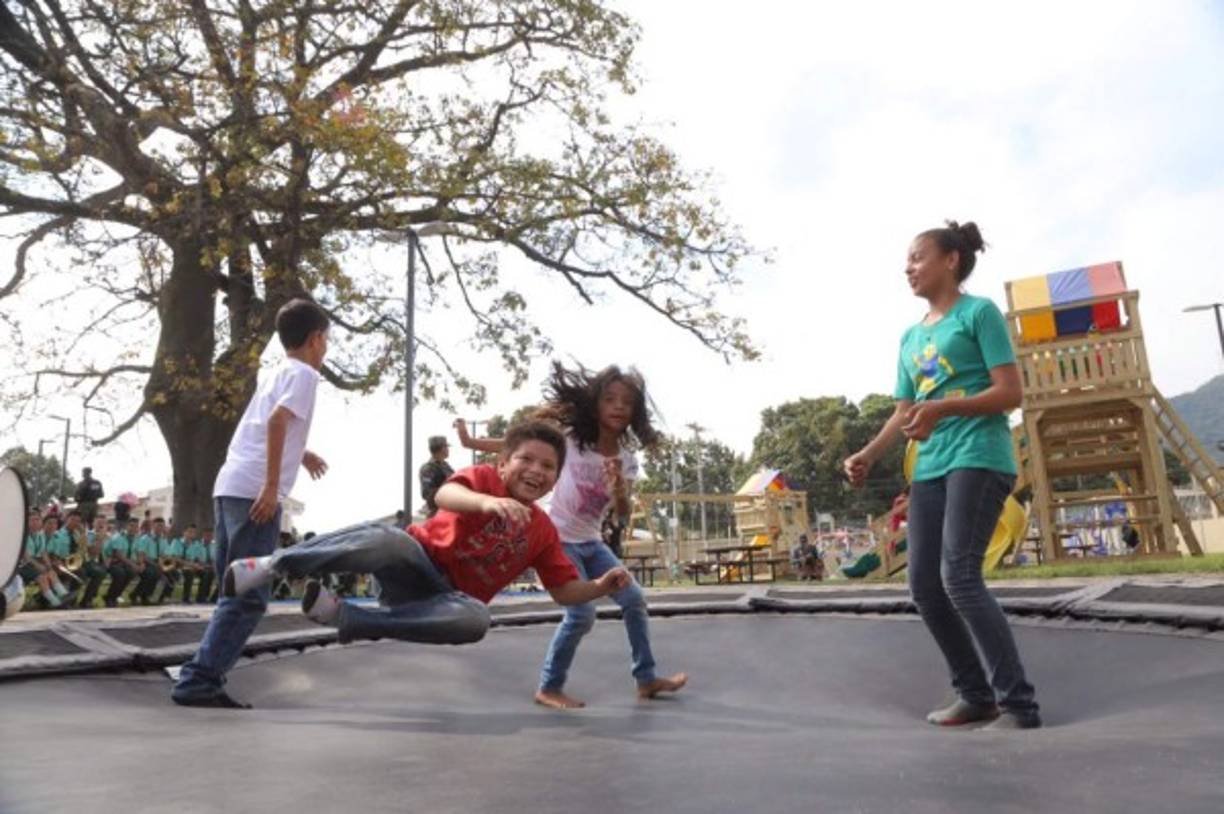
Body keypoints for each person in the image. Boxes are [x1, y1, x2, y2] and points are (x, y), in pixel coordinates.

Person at [844, 220, 1041, 730]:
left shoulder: (979, 314)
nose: (908, 267)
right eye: (906, 260)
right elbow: (905, 411)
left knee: (959, 576)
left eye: (917, 257)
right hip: (930, 466)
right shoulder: (910, 337)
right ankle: (975, 694)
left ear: (950, 260)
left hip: (979, 455)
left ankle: (1018, 702)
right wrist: (868, 454)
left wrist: (947, 408)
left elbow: (1010, 393)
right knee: (924, 586)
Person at [223, 420, 630, 656]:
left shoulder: (542, 530)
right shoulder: (485, 480)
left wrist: (597, 586)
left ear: (555, 479)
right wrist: (486, 504)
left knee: (477, 619)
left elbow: (563, 591)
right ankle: (274, 565)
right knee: (391, 540)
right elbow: (444, 494)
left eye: (547, 467)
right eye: (526, 460)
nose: (536, 471)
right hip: (414, 561)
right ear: (503, 464)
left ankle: (349, 618)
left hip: (442, 599)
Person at [457, 362, 687, 709]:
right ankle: (549, 687)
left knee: (634, 600)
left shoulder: (627, 459)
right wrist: (470, 441)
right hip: (559, 542)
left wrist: (620, 489)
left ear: (634, 412)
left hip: (593, 543)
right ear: (596, 404)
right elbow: (522, 445)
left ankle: (646, 678)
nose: (618, 407)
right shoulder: (570, 441)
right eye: (610, 399)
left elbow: (622, 514)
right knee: (581, 615)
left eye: (626, 402)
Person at [172, 298, 330, 709]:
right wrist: (272, 486)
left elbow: (266, 423)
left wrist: (303, 453)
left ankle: (201, 673)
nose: (326, 349)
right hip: (253, 493)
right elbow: (278, 421)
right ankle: (199, 679)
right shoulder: (305, 375)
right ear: (316, 339)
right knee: (248, 596)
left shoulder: (277, 371)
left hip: (229, 486)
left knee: (233, 590)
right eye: (326, 340)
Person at [18, 512, 66, 607]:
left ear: (41, 522)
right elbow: (25, 556)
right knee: (42, 577)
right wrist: (39, 565)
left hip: (33, 563)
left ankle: (64, 595)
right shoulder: (22, 535)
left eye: (38, 520)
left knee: (52, 573)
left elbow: (43, 552)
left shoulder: (40, 535)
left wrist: (48, 565)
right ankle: (55, 602)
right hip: (22, 565)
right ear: (27, 522)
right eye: (32, 520)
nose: (35, 522)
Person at [102, 517, 140, 608]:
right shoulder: (118, 537)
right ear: (126, 526)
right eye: (131, 526)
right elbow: (118, 554)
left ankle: (114, 596)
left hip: (124, 563)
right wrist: (133, 564)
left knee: (131, 573)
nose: (133, 528)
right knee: (120, 574)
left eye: (135, 526)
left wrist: (139, 564)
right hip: (111, 561)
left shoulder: (135, 538)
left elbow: (137, 553)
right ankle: (110, 598)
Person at [78, 516, 110, 609]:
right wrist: (99, 539)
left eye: (103, 523)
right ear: (93, 524)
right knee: (99, 572)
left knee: (118, 571)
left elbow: (111, 552)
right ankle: (87, 599)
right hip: (91, 561)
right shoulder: (88, 535)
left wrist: (109, 559)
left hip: (105, 561)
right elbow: (93, 552)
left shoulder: (109, 536)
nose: (101, 525)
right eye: (99, 522)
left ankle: (108, 598)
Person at [418, 435, 454, 518]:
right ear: (441, 448)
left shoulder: (446, 466)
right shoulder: (428, 468)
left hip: (451, 511)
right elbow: (427, 493)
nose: (448, 450)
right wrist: (447, 486)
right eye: (446, 447)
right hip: (438, 514)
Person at [180, 525, 211, 604]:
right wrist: (191, 565)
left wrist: (201, 565)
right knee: (189, 573)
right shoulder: (177, 542)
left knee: (205, 573)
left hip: (192, 566)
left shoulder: (196, 544)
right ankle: (185, 598)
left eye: (193, 532)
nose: (191, 534)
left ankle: (201, 597)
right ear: (184, 532)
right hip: (180, 566)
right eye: (189, 532)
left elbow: (198, 558)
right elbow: (175, 558)